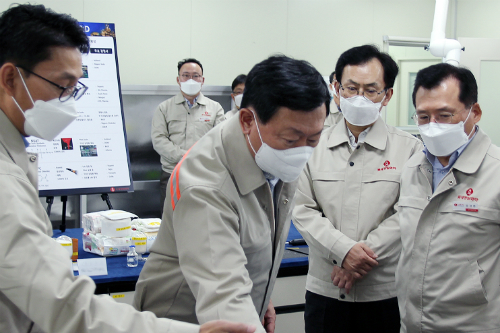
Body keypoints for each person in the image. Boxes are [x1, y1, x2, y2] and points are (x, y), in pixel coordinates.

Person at [0, 4, 255, 333]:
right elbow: (64, 305)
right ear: (10, 78)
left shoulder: (15, 151)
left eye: (76, 88)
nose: (69, 103)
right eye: (62, 86)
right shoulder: (4, 181)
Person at [133, 55, 330, 333]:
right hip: (183, 319)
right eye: (291, 139)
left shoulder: (270, 150)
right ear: (248, 120)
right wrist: (248, 309)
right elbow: (224, 296)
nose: (301, 151)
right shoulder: (206, 186)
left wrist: (260, 294)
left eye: (314, 139)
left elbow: (254, 240)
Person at [292, 45, 423, 333]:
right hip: (325, 291)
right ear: (336, 88)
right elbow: (301, 209)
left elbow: (409, 213)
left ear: (387, 95)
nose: (359, 98)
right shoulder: (310, 144)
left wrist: (356, 259)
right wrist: (343, 251)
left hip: (384, 293)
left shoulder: (409, 148)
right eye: (351, 88)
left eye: (371, 90)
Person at [397, 63, 500, 332]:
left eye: (444, 116)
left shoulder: (496, 172)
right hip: (412, 323)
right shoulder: (411, 168)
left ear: (474, 112)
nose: (432, 126)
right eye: (423, 117)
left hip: (472, 325)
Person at [152, 58, 224, 214]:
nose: (191, 80)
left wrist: (198, 159)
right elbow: (159, 140)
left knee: (202, 218)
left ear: (202, 80)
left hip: (204, 174)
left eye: (196, 76)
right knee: (170, 219)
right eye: (185, 75)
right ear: (178, 79)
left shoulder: (215, 108)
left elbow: (220, 140)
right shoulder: (164, 108)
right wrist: (185, 156)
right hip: (172, 174)